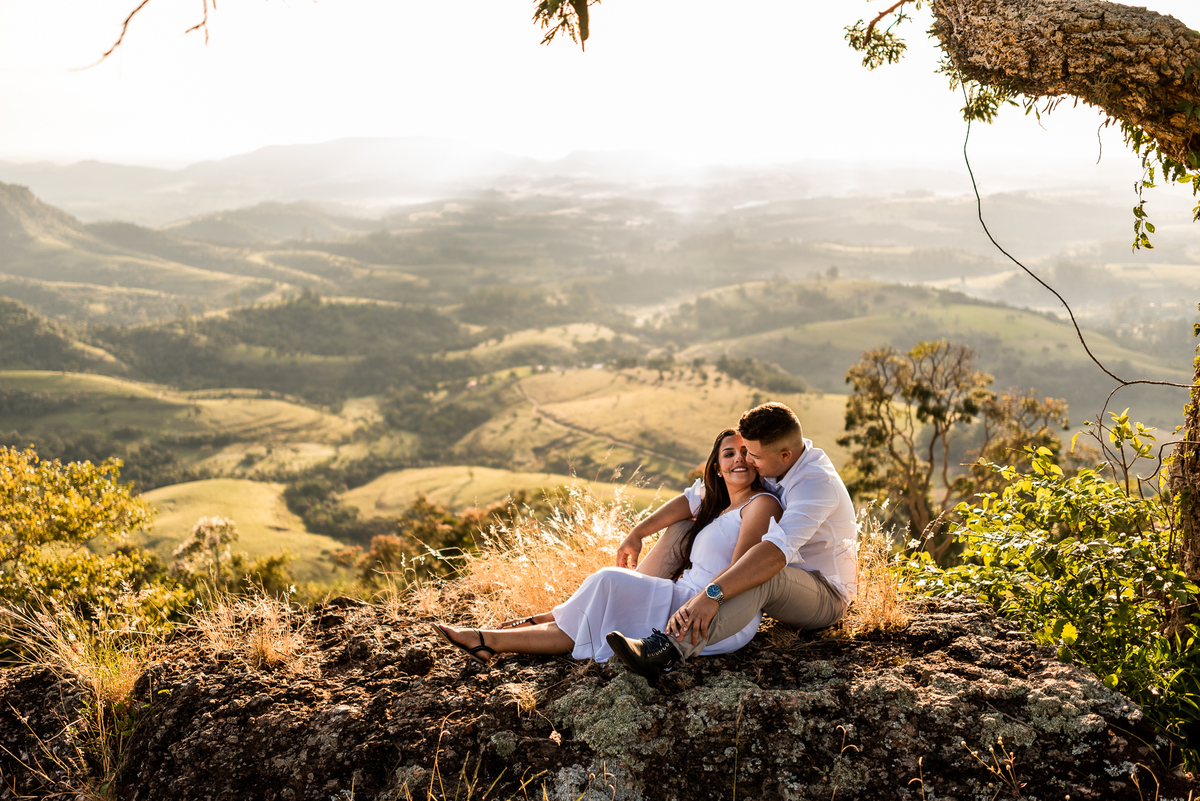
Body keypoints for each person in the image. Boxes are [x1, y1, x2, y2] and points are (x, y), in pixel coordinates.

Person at [430, 428, 782, 666]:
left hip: (710, 614)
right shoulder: (718, 504)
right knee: (597, 607)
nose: (738, 459)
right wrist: (636, 533)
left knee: (607, 581)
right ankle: (489, 638)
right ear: (717, 467)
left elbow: (741, 570)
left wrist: (700, 603)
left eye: (744, 453)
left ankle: (494, 637)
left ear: (755, 460)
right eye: (728, 453)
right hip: (683, 596)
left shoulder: (760, 504)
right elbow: (684, 504)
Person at [607, 402, 857, 680]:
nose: (747, 460)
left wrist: (710, 594)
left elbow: (773, 555)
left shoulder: (815, 484)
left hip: (824, 595)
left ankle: (665, 650)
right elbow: (697, 497)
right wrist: (637, 533)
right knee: (685, 529)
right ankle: (634, 601)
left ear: (785, 455)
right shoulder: (775, 460)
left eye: (753, 456)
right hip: (788, 578)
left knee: (764, 573)